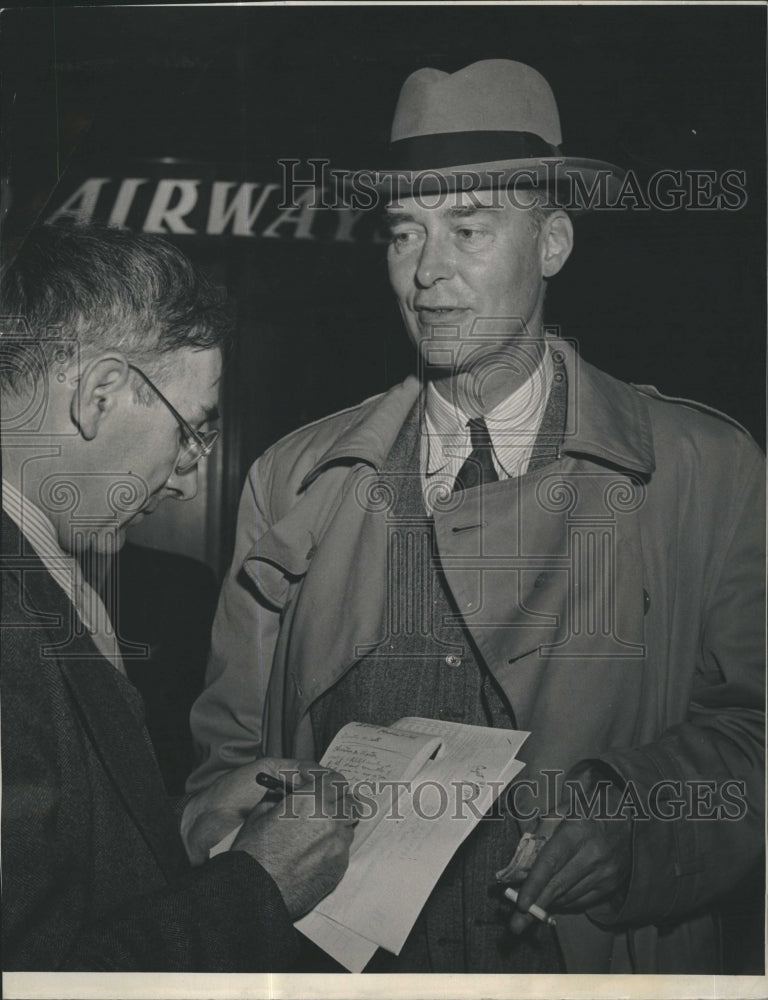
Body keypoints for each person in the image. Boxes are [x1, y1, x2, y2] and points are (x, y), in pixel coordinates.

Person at [185, 60, 765, 973]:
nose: (427, 274)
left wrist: (641, 818)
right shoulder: (291, 481)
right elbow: (222, 765)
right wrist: (246, 820)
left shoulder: (703, 471)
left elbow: (757, 730)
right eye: (403, 231)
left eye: (469, 227)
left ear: (553, 244)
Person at [0, 223, 355, 971]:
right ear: (99, 394)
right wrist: (258, 886)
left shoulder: (40, 568)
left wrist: (185, 824)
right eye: (190, 433)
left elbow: (47, 867)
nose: (190, 478)